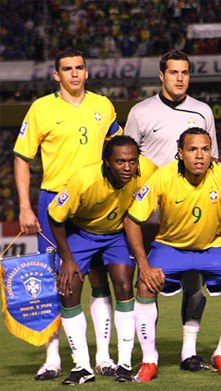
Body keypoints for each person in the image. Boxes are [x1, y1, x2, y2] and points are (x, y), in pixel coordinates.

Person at [13, 48, 122, 380]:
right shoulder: (41, 109)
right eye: (66, 69)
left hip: (96, 203)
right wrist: (24, 206)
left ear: (87, 72)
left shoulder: (103, 106)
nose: (74, 73)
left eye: (79, 68)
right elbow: (22, 158)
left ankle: (103, 357)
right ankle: (53, 358)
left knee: (100, 278)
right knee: (54, 280)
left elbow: (120, 151)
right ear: (56, 75)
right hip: (53, 204)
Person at [123, 128, 221, 381]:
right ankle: (149, 359)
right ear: (180, 153)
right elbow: (132, 220)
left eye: (205, 149)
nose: (199, 156)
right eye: (193, 149)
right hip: (170, 247)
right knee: (144, 287)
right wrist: (144, 266)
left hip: (213, 247)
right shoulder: (163, 177)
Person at [124, 49, 219, 371]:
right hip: (151, 212)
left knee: (194, 281)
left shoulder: (202, 111)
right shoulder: (140, 112)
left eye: (185, 72)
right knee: (146, 281)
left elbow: (213, 161)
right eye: (174, 72)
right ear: (161, 75)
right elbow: (126, 160)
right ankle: (146, 356)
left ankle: (188, 353)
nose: (180, 78)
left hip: (191, 212)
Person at [47, 136, 156, 384]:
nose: (128, 167)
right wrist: (67, 259)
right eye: (120, 161)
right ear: (107, 162)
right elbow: (55, 216)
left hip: (118, 234)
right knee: (69, 289)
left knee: (125, 285)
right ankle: (82, 367)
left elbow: (170, 179)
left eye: (132, 161)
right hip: (81, 232)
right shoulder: (84, 180)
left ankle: (125, 363)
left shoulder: (146, 170)